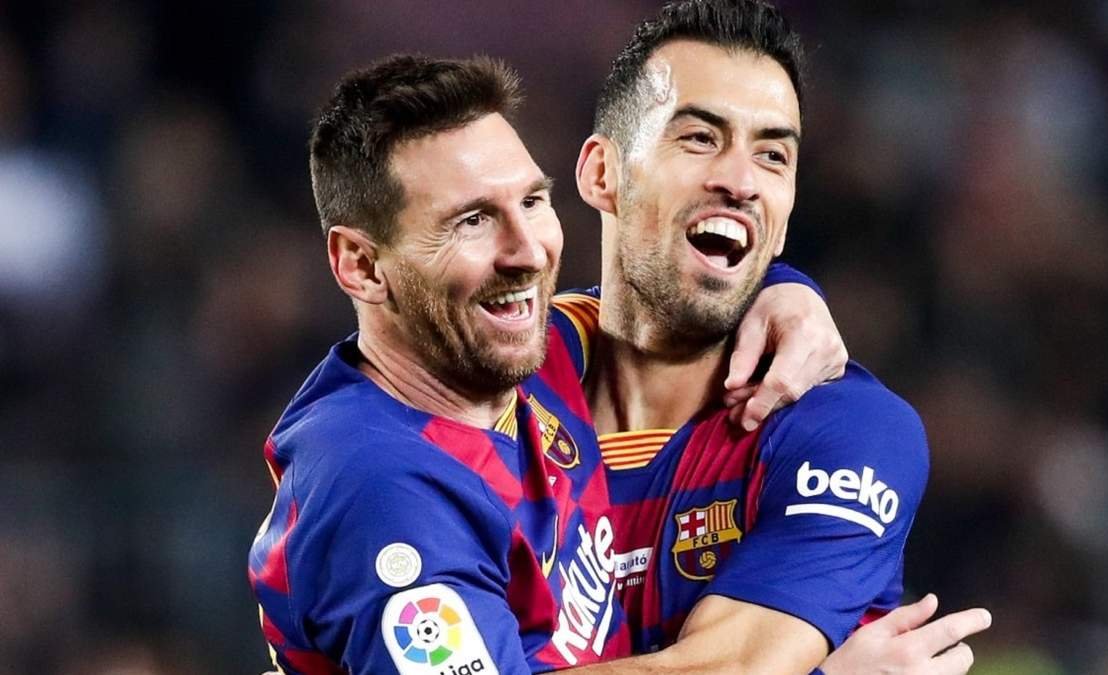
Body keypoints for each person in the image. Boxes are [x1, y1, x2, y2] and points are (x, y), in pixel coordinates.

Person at [247, 54, 851, 674]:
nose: (529, 252)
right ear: (362, 266)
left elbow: (661, 302)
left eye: (533, 201)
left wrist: (788, 291)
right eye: (472, 221)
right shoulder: (387, 492)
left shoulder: (523, 351)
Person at [563, 1, 990, 673]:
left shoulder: (844, 430)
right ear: (602, 174)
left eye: (772, 155)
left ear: (786, 215)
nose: (740, 181)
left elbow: (730, 669)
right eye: (698, 138)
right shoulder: (493, 389)